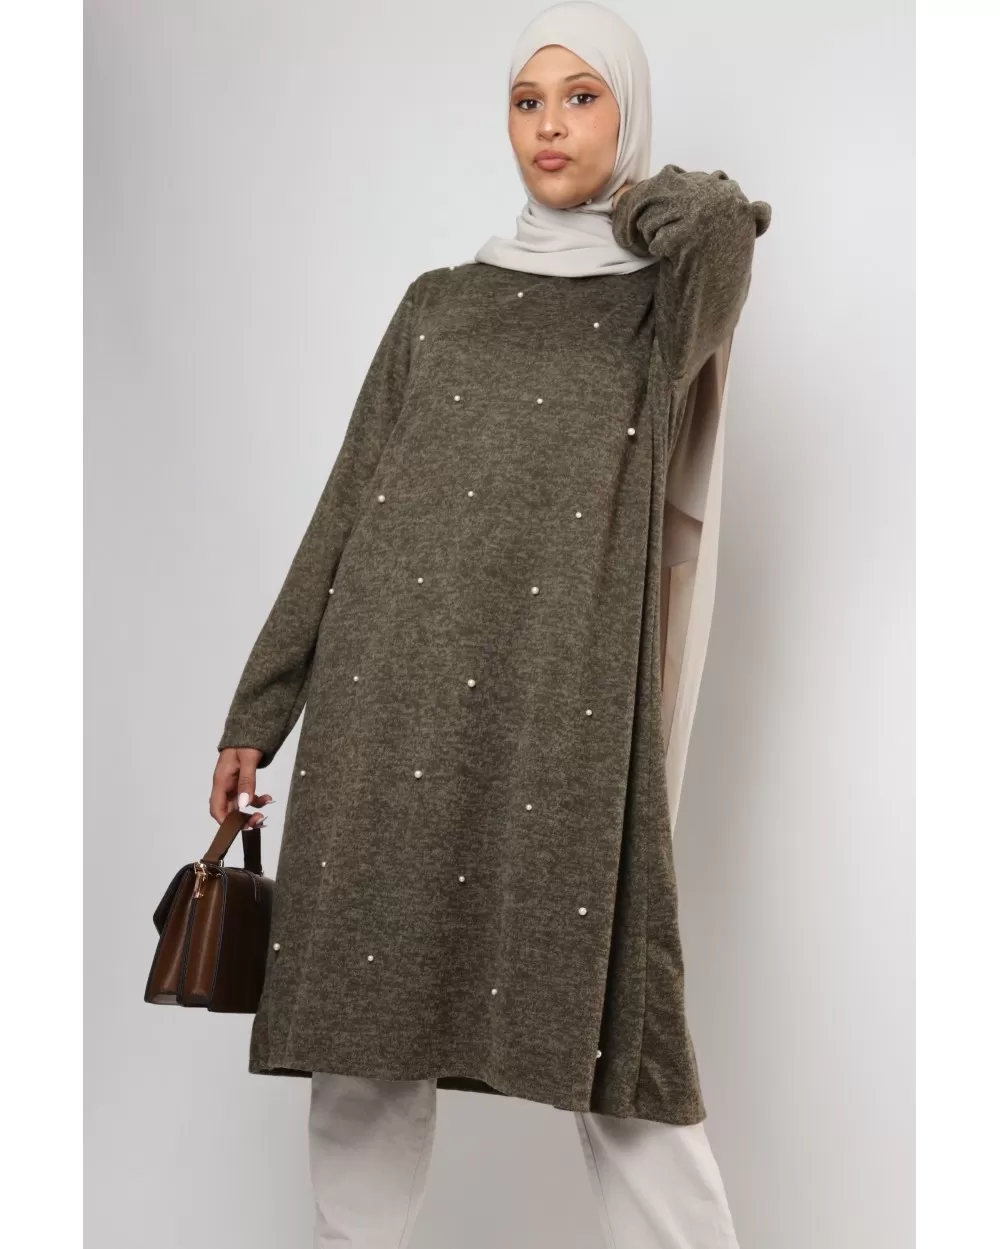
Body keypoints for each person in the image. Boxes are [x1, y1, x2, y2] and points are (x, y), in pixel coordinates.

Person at [210, 2, 771, 1246]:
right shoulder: (437, 303)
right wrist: (261, 711)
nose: (548, 127)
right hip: (386, 696)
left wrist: (627, 200)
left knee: (621, 1045)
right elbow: (348, 505)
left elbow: (720, 220)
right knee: (363, 1038)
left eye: (581, 97)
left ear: (626, 116)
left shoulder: (662, 305)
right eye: (526, 102)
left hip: (558, 707)